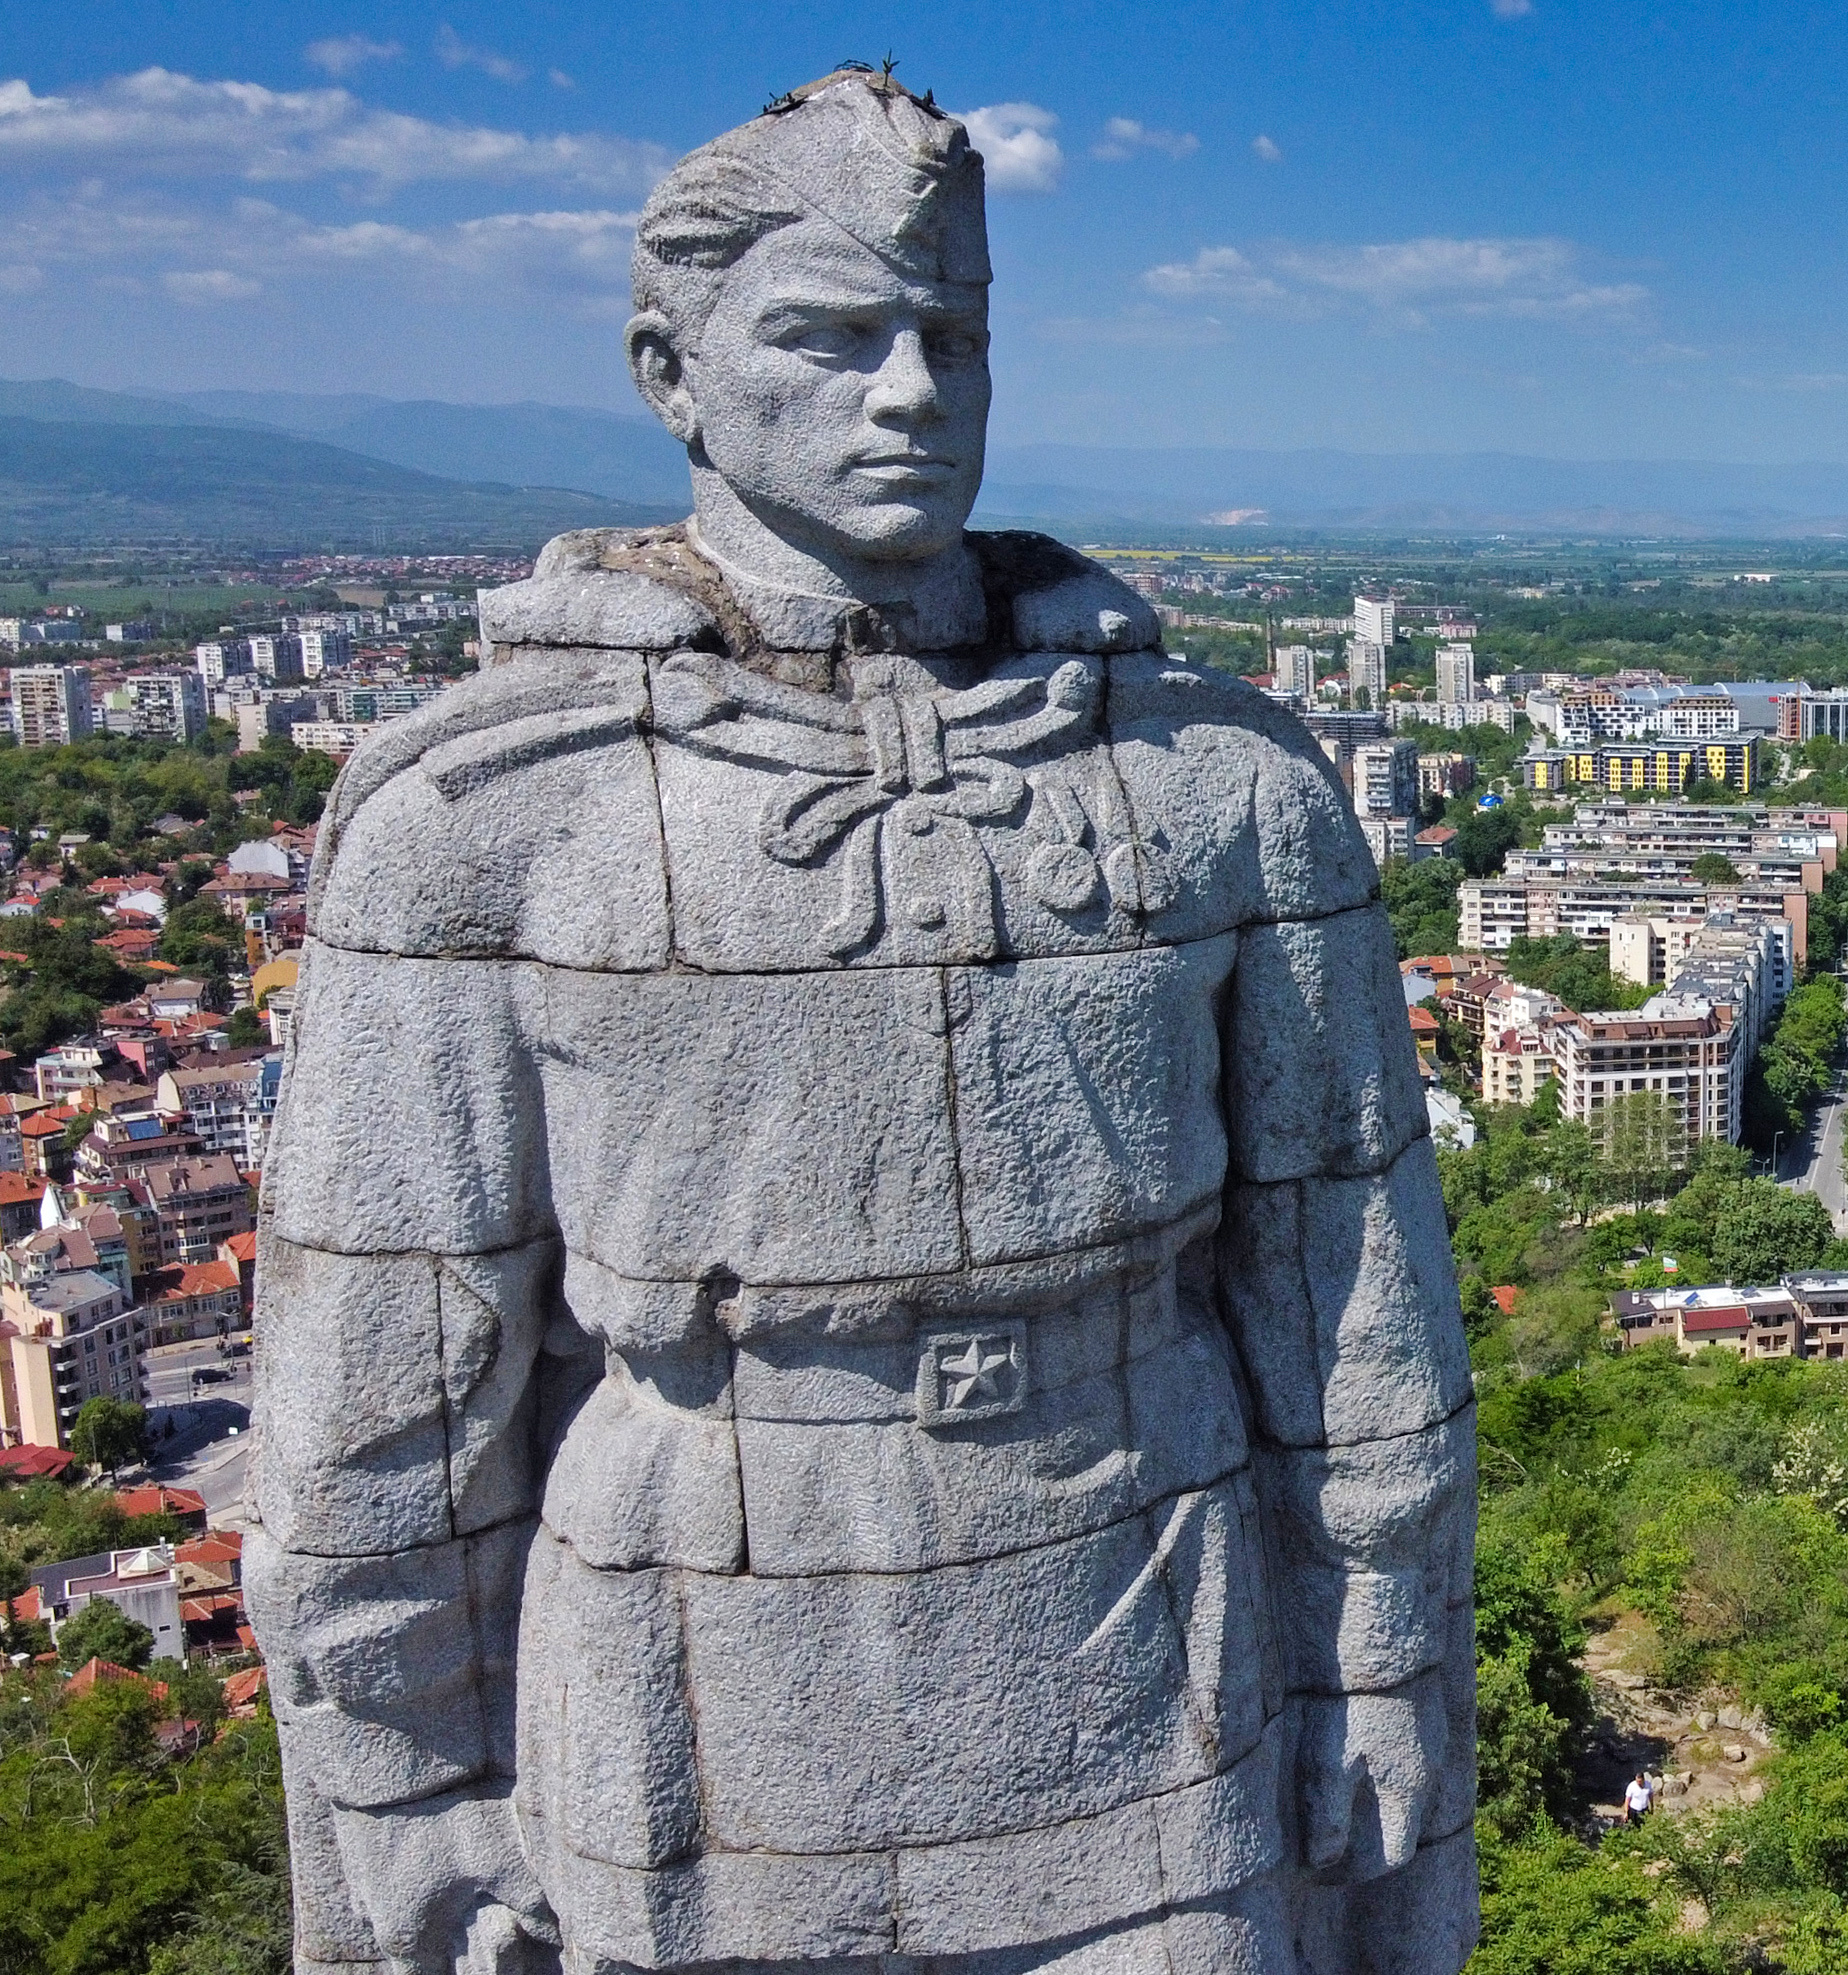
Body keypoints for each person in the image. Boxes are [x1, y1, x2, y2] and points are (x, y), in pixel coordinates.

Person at [243, 65, 1473, 1975]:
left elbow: (1345, 1281)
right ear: (673, 370)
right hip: (689, 1673)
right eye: (830, 338)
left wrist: (1380, 1645)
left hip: (1153, 1622)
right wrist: (398, 1770)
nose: (910, 394)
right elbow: (388, 1365)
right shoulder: (489, 812)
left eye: (952, 337)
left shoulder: (1225, 788)